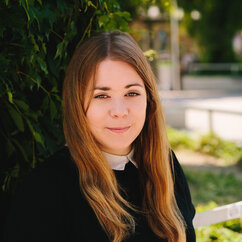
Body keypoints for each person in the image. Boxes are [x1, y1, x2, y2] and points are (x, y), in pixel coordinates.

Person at [4, 31, 196, 242]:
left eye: (131, 93)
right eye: (102, 95)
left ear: (149, 99)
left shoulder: (166, 165)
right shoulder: (47, 186)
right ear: (78, 105)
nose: (120, 111)